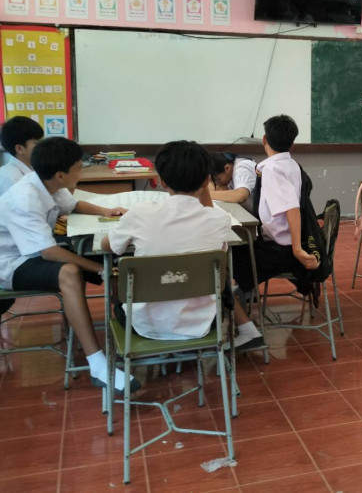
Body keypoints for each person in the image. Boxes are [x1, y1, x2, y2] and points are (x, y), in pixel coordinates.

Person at [0, 137, 136, 392]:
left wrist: (105, 211)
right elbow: (49, 252)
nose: (82, 172)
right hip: (7, 264)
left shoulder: (47, 182)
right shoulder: (26, 198)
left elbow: (73, 205)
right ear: (61, 174)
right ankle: (97, 365)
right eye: (79, 168)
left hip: (30, 252)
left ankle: (128, 328)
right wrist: (97, 269)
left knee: (115, 256)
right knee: (70, 273)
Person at [102, 141, 263, 349]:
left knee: (119, 278)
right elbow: (209, 211)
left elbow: (107, 246)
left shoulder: (139, 214)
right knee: (215, 271)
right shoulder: (219, 220)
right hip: (203, 323)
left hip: (142, 325)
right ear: (207, 181)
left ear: (162, 181)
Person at [232, 115, 319, 295]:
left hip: (283, 249)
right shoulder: (292, 164)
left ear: (264, 139)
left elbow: (292, 208)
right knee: (240, 253)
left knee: (231, 256)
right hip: (285, 243)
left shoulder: (272, 170)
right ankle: (244, 295)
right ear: (292, 144)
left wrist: (297, 250)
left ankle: (241, 301)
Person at [0, 116, 44, 202]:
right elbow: (29, 207)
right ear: (19, 149)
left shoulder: (33, 167)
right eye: (37, 144)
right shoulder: (10, 177)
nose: (44, 147)